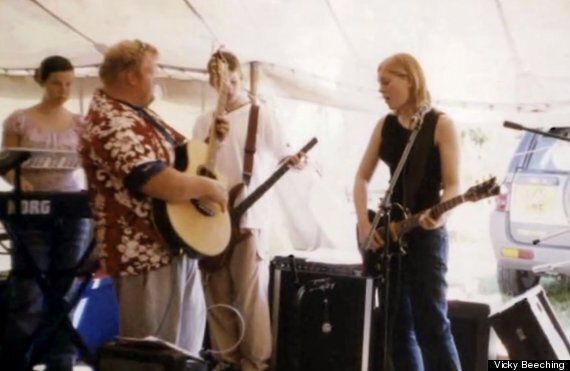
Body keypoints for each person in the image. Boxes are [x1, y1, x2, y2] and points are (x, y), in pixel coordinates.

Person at [80, 40, 227, 356]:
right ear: (131, 76)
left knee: (181, 356)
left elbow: (183, 157)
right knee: (153, 356)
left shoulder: (141, 116)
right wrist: (208, 188)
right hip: (143, 255)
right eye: (151, 72)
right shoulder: (111, 120)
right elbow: (156, 181)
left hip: (171, 245)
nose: (156, 79)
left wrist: (213, 139)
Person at [194, 50, 302, 371]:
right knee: (218, 296)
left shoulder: (260, 114)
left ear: (240, 78)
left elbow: (284, 152)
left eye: (232, 81)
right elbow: (195, 167)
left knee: (251, 295)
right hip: (211, 218)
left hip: (249, 219)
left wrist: (294, 160)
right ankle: (225, 361)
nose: (226, 89)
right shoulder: (203, 121)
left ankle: (255, 364)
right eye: (218, 83)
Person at [353, 53, 462, 371]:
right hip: (388, 235)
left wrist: (440, 215)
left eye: (387, 82)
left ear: (410, 80)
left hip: (426, 237)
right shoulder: (385, 125)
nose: (382, 90)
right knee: (396, 327)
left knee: (432, 324)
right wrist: (364, 226)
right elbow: (361, 178)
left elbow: (455, 187)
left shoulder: (441, 124)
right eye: (379, 84)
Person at [0, 56, 92, 371]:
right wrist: (17, 179)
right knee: (28, 293)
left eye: (69, 83)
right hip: (30, 211)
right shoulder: (19, 120)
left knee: (65, 292)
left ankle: (61, 362)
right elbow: (7, 166)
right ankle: (16, 362)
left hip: (71, 209)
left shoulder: (80, 123)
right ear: (41, 80)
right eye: (56, 83)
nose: (63, 90)